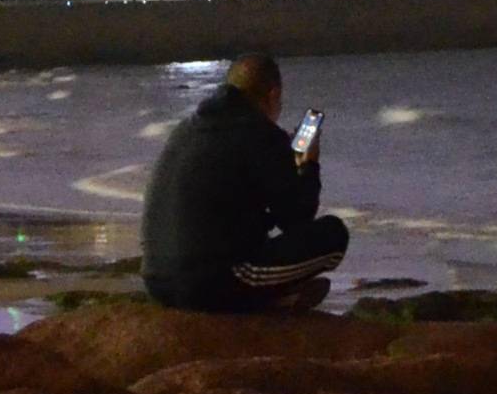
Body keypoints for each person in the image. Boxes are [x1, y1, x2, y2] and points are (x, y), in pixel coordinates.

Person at [142, 52, 350, 312]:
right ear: (273, 95)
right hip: (209, 284)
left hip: (156, 281)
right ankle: (272, 301)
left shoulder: (188, 128)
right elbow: (298, 218)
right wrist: (309, 164)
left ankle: (269, 295)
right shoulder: (261, 134)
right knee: (334, 236)